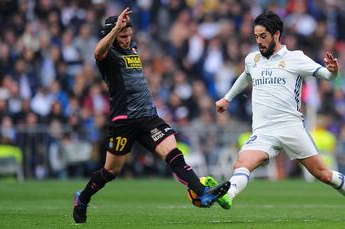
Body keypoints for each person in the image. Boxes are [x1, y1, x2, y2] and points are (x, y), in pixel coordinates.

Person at [211, 11, 345, 220]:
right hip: (264, 130)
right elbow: (245, 75)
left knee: (323, 174)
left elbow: (327, 76)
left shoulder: (295, 58)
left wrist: (333, 71)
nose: (259, 41)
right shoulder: (252, 59)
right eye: (256, 36)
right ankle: (228, 195)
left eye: (263, 36)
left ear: (276, 34)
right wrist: (227, 98)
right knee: (242, 164)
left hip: (291, 128)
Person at [72, 8, 230, 224]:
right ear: (113, 34)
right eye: (122, 35)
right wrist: (116, 27)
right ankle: (82, 198)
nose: (127, 39)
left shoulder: (133, 50)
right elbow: (97, 52)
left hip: (148, 117)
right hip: (124, 120)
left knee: (173, 152)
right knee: (110, 171)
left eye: (129, 35)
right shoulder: (107, 56)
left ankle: (202, 192)